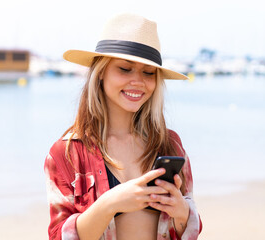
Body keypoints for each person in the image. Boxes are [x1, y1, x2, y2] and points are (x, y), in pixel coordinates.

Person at [44, 13, 202, 240]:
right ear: (101, 72)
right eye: (125, 69)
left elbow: (188, 230)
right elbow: (59, 236)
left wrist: (181, 212)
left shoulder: (171, 145)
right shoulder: (66, 153)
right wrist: (110, 203)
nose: (138, 81)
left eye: (148, 72)